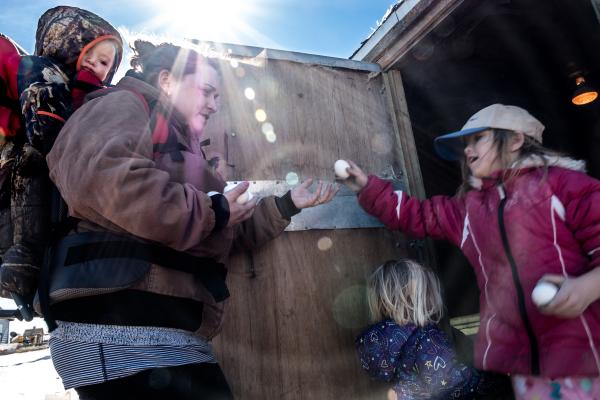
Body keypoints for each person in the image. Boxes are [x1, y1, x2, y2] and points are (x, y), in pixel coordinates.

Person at [43, 40, 337, 400]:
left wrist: (287, 205)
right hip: (116, 329)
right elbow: (106, 180)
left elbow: (219, 226)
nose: (214, 104)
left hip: (161, 331)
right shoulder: (119, 104)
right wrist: (215, 210)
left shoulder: (183, 146)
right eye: (208, 92)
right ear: (167, 80)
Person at [341, 104, 600, 398]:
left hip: (586, 353)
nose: (468, 149)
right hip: (523, 363)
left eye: (478, 138)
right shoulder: (469, 208)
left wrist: (587, 288)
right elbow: (416, 214)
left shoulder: (569, 187)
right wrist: (366, 187)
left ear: (515, 140)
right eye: (465, 143)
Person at [0, 6, 123, 307]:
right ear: (68, 46)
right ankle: (22, 267)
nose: (95, 65)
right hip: (25, 168)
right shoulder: (42, 70)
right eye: (89, 55)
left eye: (105, 62)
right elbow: (49, 136)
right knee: (33, 170)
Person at [356, 259, 493, 399]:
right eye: (429, 290)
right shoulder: (427, 339)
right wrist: (493, 380)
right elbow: (457, 386)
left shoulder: (378, 345)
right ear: (413, 299)